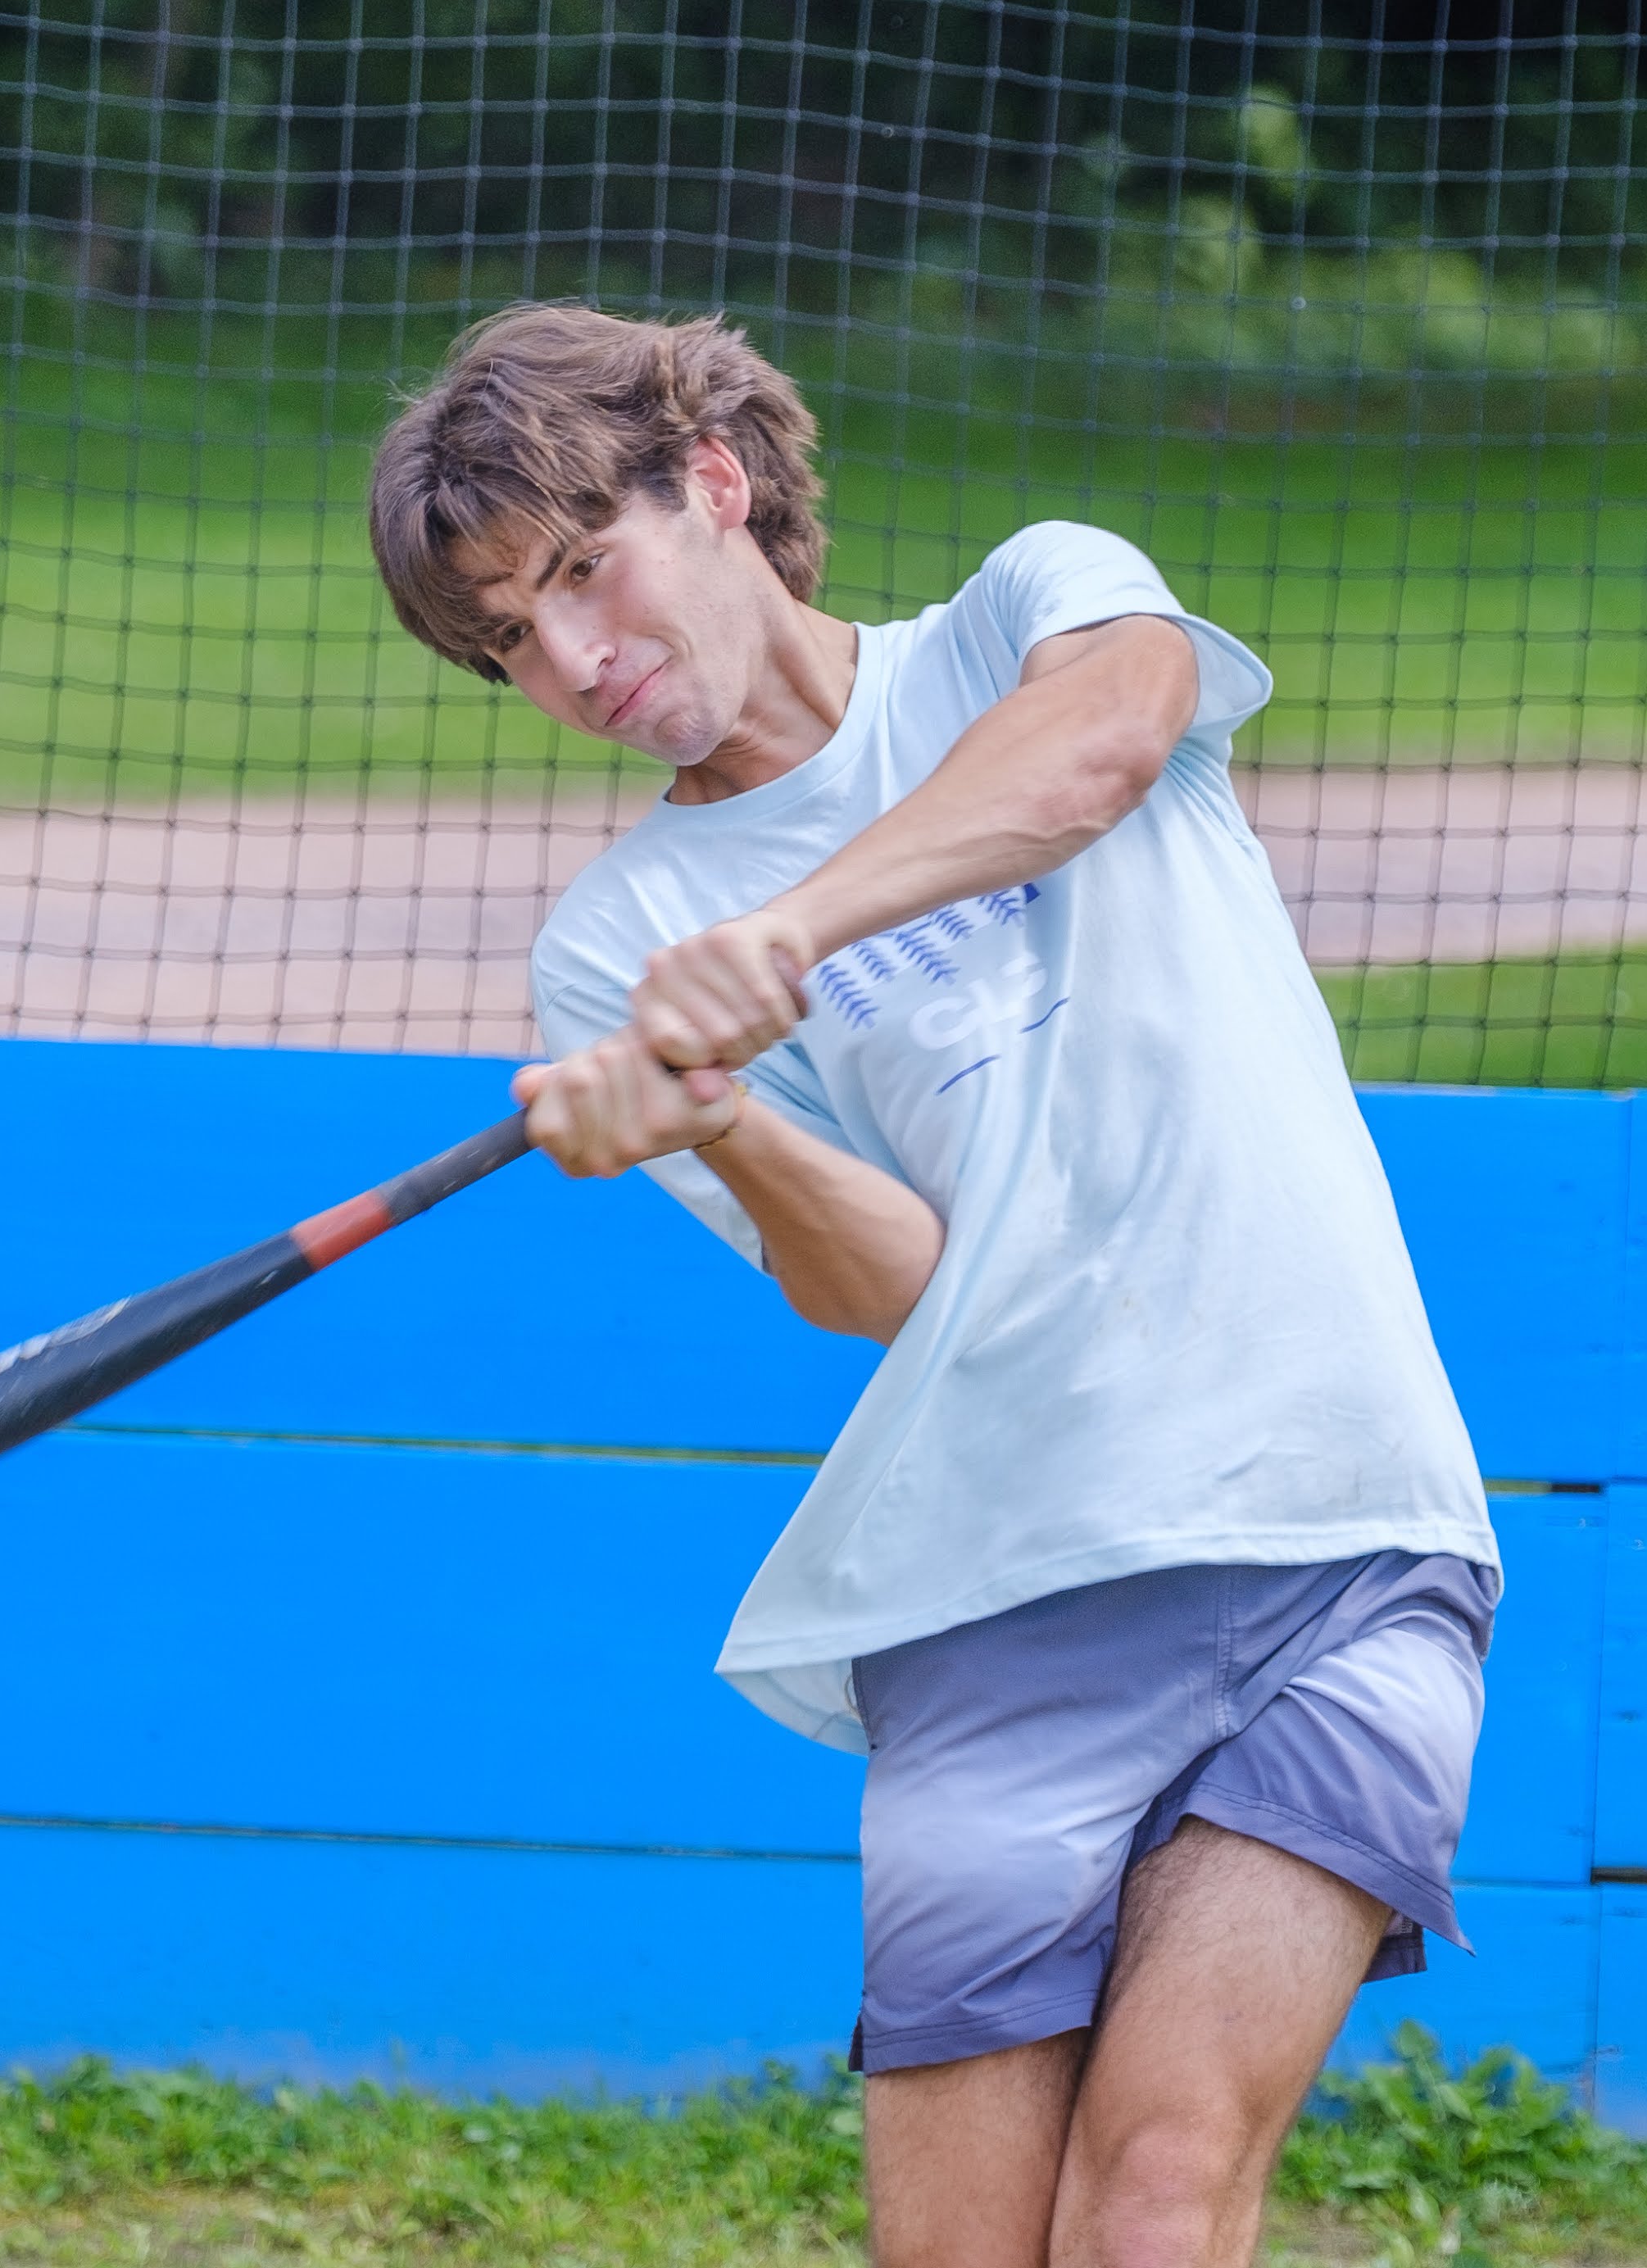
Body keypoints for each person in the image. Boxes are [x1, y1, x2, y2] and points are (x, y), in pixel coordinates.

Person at [367, 306, 1500, 2268]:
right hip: (998, 1593)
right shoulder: (616, 946)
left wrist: (791, 925)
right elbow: (902, 1288)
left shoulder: (1023, 611)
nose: (573, 661)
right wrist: (718, 1112)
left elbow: (1105, 742)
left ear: (711, 482)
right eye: (507, 646)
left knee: (1160, 2194)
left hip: (1334, 1518)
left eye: (577, 572)